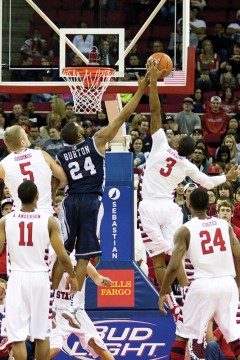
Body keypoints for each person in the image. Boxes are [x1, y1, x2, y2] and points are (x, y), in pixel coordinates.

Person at [138, 59, 240, 320]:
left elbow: (155, 112)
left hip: (149, 206)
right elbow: (207, 182)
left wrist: (152, 83)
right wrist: (226, 176)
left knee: (158, 260)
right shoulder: (185, 166)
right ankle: (186, 293)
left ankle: (172, 304)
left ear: (173, 140)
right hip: (171, 209)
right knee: (177, 255)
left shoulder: (161, 144)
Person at [56, 70, 150, 300]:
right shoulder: (96, 141)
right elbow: (123, 116)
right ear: (79, 132)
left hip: (69, 202)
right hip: (91, 201)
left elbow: (58, 183)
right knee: (83, 255)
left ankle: (54, 295)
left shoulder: (60, 156)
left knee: (63, 251)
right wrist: (140, 89)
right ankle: (75, 301)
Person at [0, 180, 78, 360]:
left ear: (18, 198)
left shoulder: (5, 221)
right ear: (37, 197)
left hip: (17, 278)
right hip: (40, 279)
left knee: (17, 337)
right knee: (42, 335)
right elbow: (63, 256)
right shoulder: (49, 221)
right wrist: (73, 276)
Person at [159, 188, 240, 360]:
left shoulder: (185, 230)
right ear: (210, 204)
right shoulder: (225, 225)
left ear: (189, 204)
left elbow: (173, 266)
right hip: (227, 283)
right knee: (234, 337)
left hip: (202, 284)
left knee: (182, 335)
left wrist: (164, 291)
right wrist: (238, 284)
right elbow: (239, 255)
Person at [49, 254, 114, 360]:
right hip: (58, 311)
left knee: (98, 345)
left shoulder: (81, 257)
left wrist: (103, 280)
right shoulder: (51, 256)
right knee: (54, 349)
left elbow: (97, 278)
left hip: (77, 312)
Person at [0, 125, 67, 213]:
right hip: (45, 213)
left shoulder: (3, 165)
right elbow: (64, 179)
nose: (27, 136)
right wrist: (50, 190)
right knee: (54, 177)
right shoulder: (42, 155)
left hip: (19, 215)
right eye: (25, 134)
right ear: (22, 143)